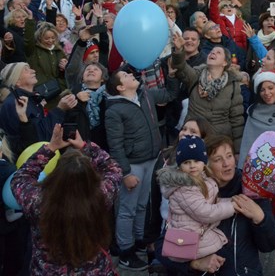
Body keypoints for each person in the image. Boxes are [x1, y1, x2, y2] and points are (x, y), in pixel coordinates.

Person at [158, 135, 275, 276]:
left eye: (229, 156)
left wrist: (260, 218)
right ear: (204, 165)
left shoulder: (251, 190)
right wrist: (194, 264)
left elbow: (269, 245)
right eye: (218, 159)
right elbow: (163, 247)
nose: (227, 164)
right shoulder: (190, 192)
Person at [10, 123, 121, 275]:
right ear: (92, 177)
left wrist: (51, 148)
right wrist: (84, 146)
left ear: (56, 176)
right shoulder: (101, 196)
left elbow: (20, 177)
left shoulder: (38, 201)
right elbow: (113, 169)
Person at [104, 67, 179, 269]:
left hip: (150, 159)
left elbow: (170, 95)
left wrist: (171, 76)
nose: (132, 76)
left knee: (142, 205)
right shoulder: (114, 110)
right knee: (127, 209)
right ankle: (126, 250)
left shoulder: (145, 95)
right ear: (120, 87)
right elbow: (116, 145)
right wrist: (126, 173)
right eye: (126, 76)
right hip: (133, 164)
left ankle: (139, 242)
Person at [157, 136, 236, 261]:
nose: (192, 166)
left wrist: (231, 201)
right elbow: (205, 212)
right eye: (186, 162)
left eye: (196, 161)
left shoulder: (201, 178)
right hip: (189, 242)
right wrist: (233, 207)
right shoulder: (184, 187)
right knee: (227, 256)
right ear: (180, 165)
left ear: (204, 162)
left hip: (197, 235)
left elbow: (210, 202)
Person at [170, 33, 246, 151]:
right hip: (194, 136)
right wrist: (179, 50)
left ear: (225, 63)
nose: (213, 53)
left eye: (218, 52)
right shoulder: (196, 75)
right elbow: (180, 66)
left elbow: (237, 120)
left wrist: (236, 151)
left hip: (218, 141)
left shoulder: (233, 85)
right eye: (212, 51)